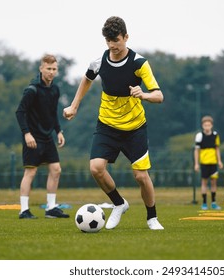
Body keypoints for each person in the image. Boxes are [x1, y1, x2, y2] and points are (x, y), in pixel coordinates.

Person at [63, 16, 164, 230]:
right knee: (96, 168)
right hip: (107, 125)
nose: (112, 45)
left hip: (134, 128)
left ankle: (152, 217)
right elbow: (87, 79)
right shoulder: (99, 62)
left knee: (141, 176)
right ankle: (119, 203)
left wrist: (143, 95)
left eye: (116, 40)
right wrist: (74, 106)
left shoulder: (139, 63)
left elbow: (159, 95)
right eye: (108, 41)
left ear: (126, 37)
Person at [15, 54, 69, 219]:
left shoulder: (55, 89)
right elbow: (20, 112)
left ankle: (51, 208)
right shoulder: (32, 90)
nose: (51, 72)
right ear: (41, 69)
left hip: (47, 137)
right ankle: (24, 210)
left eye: (54, 69)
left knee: (56, 169)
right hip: (32, 138)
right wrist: (26, 134)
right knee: (30, 173)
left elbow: (52, 113)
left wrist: (58, 131)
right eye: (48, 69)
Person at [194, 116, 224, 210]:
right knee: (204, 183)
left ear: (211, 125)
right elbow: (196, 150)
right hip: (204, 163)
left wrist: (219, 161)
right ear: (203, 126)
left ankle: (214, 202)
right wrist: (196, 163)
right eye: (205, 125)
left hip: (213, 163)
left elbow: (217, 149)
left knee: (214, 182)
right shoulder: (199, 136)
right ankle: (204, 203)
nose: (207, 127)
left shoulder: (215, 135)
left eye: (209, 125)